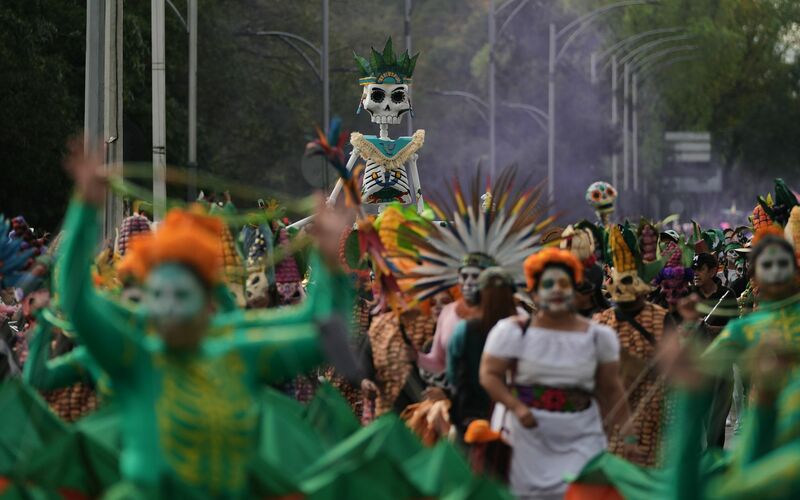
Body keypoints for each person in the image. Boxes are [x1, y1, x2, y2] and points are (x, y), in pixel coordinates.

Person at [58, 140, 355, 498]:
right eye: (158, 296)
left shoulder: (237, 355)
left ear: (207, 303)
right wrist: (84, 207)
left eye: (181, 295)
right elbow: (76, 300)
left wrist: (330, 260)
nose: (168, 307)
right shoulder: (134, 359)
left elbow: (324, 333)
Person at [480, 248, 635, 500]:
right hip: (526, 440)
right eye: (548, 283)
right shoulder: (511, 331)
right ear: (533, 291)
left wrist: (628, 437)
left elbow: (611, 389)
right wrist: (516, 407)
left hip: (583, 437)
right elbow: (489, 375)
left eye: (563, 283)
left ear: (574, 290)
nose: (556, 290)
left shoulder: (599, 337)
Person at [447, 267, 517, 440]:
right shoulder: (523, 328)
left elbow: (452, 375)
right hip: (514, 417)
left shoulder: (463, 330)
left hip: (472, 419)